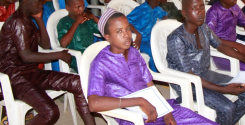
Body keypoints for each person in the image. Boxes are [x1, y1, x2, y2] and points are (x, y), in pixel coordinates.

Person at [87, 9, 217, 125]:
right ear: (107, 37)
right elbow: (93, 104)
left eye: (127, 29)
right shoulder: (100, 63)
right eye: (119, 31)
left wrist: (166, 112)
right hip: (132, 117)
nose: (126, 34)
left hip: (155, 107)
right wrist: (139, 101)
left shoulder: (134, 53)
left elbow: (150, 86)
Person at [0, 0, 96, 125]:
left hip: (32, 73)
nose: (42, 4)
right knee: (50, 112)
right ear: (25, 1)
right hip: (17, 78)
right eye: (39, 1)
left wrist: (39, 20)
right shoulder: (18, 22)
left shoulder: (28, 20)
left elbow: (45, 45)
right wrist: (59, 54)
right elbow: (26, 56)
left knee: (78, 83)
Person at [167, 0, 245, 125]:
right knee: (227, 107)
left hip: (206, 74)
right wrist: (223, 89)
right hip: (187, 82)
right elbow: (189, 75)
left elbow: (221, 45)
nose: (200, 12)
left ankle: (222, 122)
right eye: (194, 9)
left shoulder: (203, 28)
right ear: (184, 13)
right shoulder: (176, 38)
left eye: (201, 7)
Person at [127, 0, 168, 72]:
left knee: (165, 47)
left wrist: (163, 21)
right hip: (140, 41)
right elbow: (126, 22)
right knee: (153, 53)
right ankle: (156, 75)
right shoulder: (141, 10)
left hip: (151, 38)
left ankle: (165, 70)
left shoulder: (156, 8)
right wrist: (138, 34)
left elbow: (164, 14)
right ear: (159, 0)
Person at [57, 0, 100, 72]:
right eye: (78, 7)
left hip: (91, 55)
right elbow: (63, 44)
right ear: (68, 8)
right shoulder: (64, 22)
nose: (81, 9)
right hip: (76, 59)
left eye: (83, 6)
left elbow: (105, 31)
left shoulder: (86, 19)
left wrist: (93, 17)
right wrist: (76, 23)